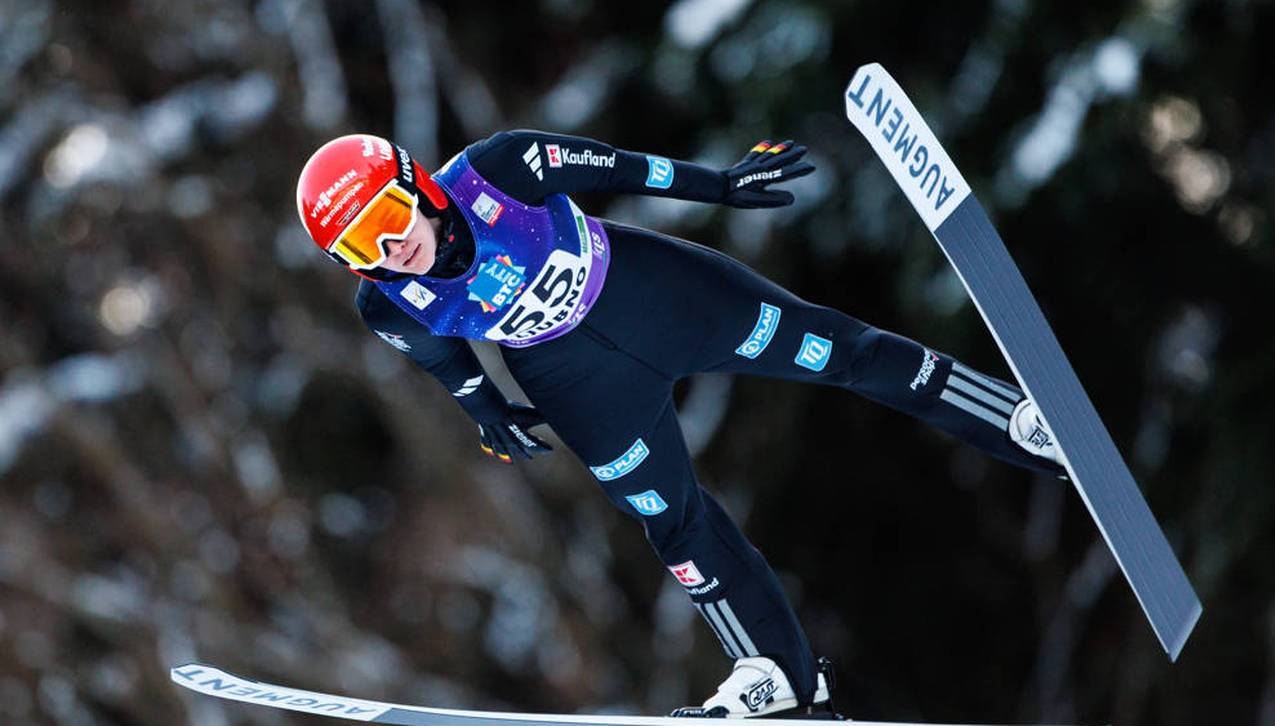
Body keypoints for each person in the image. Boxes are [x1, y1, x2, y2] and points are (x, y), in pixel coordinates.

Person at [294, 131, 1066, 718]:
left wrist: (723, 186)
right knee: (669, 519)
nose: (393, 248)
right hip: (579, 383)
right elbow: (444, 358)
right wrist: (485, 411)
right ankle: (777, 675)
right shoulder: (386, 300)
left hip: (656, 295)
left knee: (844, 353)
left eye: (389, 219)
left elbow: (625, 170)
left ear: (417, 185)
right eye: (362, 247)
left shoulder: (503, 168)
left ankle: (1020, 423)